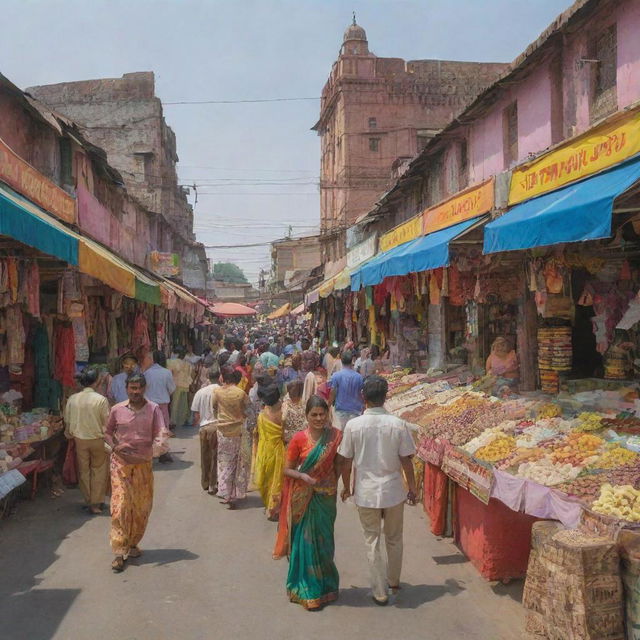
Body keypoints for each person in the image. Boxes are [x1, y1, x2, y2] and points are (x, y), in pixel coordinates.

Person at [338, 375, 417, 606]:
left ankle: (380, 591)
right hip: (393, 491)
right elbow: (406, 460)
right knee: (394, 538)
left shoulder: (354, 426)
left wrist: (347, 487)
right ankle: (393, 581)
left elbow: (346, 461)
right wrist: (412, 488)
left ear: (363, 397)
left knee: (371, 539)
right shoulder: (397, 424)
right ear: (386, 396)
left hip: (366, 491)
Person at [274, 395, 343, 610]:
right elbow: (286, 469)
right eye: (314, 414)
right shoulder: (298, 439)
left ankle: (327, 587)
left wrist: (337, 485)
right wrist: (303, 477)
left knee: (324, 542)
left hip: (326, 497)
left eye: (322, 414)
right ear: (306, 416)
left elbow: (340, 465)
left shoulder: (335, 437)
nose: (319, 418)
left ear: (328, 414)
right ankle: (307, 589)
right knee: (305, 543)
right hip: (303, 497)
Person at [105, 373, 167, 572]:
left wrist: (152, 453)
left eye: (139, 388)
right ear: (126, 389)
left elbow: (161, 434)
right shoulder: (116, 410)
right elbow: (107, 432)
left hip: (143, 466)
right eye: (132, 388)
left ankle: (132, 543)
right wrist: (115, 446)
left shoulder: (153, 409)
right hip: (120, 465)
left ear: (144, 388)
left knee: (141, 508)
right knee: (120, 504)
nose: (136, 392)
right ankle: (118, 550)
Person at [64, 368, 110, 515]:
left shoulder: (72, 399)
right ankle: (96, 503)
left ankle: (89, 501)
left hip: (79, 440)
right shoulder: (101, 400)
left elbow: (68, 421)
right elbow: (107, 423)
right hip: (97, 440)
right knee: (99, 470)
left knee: (84, 471)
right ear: (97, 382)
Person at [212, 365, 250, 509]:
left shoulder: (217, 392)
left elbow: (214, 408)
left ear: (223, 377)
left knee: (224, 462)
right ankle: (235, 493)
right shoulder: (240, 393)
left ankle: (226, 493)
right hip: (238, 430)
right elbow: (249, 410)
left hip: (222, 431)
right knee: (237, 461)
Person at [254, 384, 285, 521]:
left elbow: (256, 433)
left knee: (265, 478)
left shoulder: (262, 414)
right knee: (276, 480)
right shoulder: (283, 413)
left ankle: (269, 506)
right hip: (278, 450)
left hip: (264, 449)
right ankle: (274, 508)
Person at [143, 350, 176, 463]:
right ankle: (163, 453)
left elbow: (144, 389)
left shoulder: (147, 373)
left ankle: (151, 452)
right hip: (162, 405)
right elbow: (172, 389)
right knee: (163, 428)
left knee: (150, 429)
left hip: (149, 405)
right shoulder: (166, 372)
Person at [192, 367, 220, 494]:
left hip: (204, 427)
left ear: (208, 377)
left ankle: (205, 482)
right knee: (216, 457)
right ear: (220, 377)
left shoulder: (200, 392)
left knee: (205, 457)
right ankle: (213, 484)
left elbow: (196, 415)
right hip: (217, 426)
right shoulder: (221, 391)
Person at [328, 350, 364, 430]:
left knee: (341, 437)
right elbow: (362, 394)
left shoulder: (336, 376)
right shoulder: (359, 377)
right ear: (352, 361)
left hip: (341, 413)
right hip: (356, 412)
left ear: (341, 360)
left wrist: (328, 406)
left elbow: (332, 393)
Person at [167, 347, 194, 428]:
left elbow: (169, 373)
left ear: (176, 354)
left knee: (174, 404)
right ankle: (184, 419)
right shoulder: (188, 363)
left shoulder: (172, 362)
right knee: (184, 403)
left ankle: (173, 421)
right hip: (185, 385)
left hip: (176, 385)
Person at [282, 380, 306, 444]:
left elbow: (283, 419)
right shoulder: (303, 403)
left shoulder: (287, 404)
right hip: (296, 437)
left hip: (293, 437)